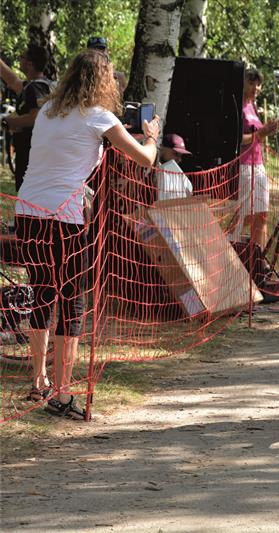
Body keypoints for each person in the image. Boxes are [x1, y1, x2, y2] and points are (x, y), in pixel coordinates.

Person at [16, 49, 161, 419]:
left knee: (42, 294)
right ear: (103, 81)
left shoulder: (48, 112)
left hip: (29, 211)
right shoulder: (99, 116)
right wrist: (152, 136)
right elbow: (144, 159)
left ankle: (39, 381)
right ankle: (63, 393)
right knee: (72, 301)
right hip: (64, 218)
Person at [0, 44, 55, 192]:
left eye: (22, 57)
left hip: (30, 154)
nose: (19, 59)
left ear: (30, 64)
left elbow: (35, 117)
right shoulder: (39, 85)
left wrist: (8, 121)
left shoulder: (35, 88)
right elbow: (12, 81)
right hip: (36, 152)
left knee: (27, 198)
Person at [239, 67, 279, 253]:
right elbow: (239, 140)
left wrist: (267, 131)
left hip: (259, 166)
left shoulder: (252, 106)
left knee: (262, 215)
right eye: (251, 83)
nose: (256, 88)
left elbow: (257, 136)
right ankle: (228, 252)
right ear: (242, 83)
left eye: (259, 84)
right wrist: (262, 133)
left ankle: (259, 262)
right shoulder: (238, 105)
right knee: (244, 217)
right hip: (244, 167)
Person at [157, 133, 193, 201]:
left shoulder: (182, 178)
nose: (179, 159)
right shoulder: (148, 169)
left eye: (180, 156)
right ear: (161, 148)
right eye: (175, 154)